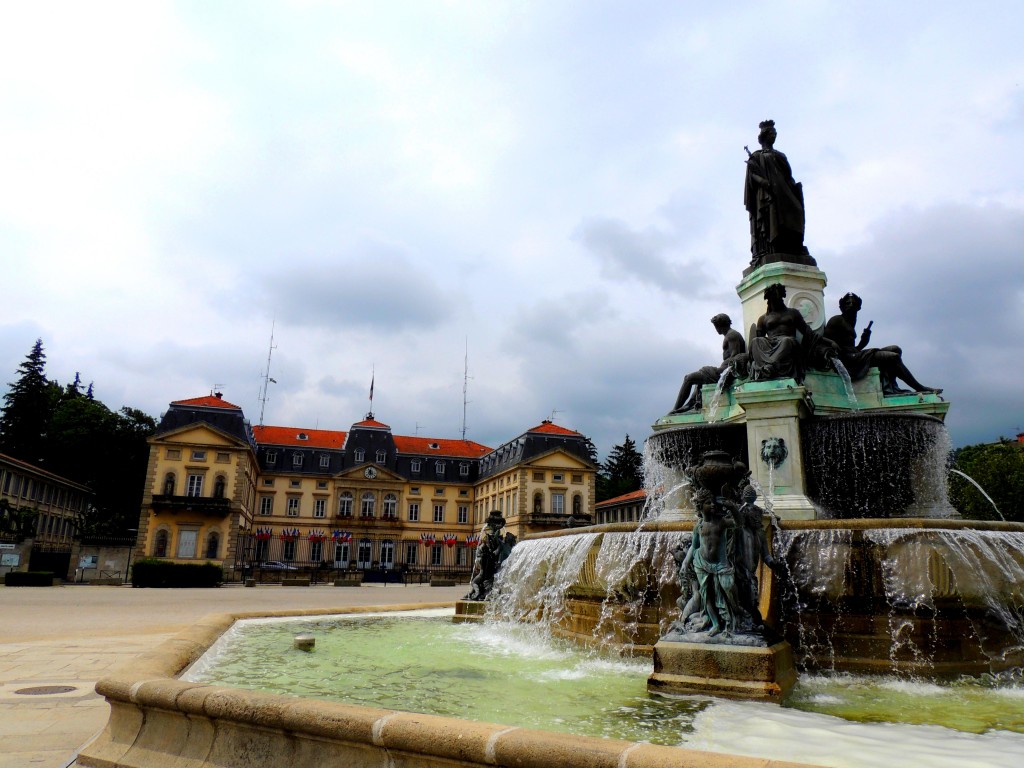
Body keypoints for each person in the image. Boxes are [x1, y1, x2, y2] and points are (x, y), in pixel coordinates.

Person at [823, 293, 940, 394]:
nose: (850, 305)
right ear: (842, 307)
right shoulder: (837, 320)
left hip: (855, 356)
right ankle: (920, 388)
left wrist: (864, 341)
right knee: (893, 357)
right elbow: (823, 340)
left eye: (853, 303)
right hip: (848, 360)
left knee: (896, 349)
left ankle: (891, 387)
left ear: (858, 307)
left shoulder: (851, 322)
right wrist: (831, 343)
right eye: (847, 303)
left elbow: (856, 348)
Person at [744, 120, 808, 264]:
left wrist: (795, 188)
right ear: (765, 135)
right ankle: (773, 246)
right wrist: (763, 183)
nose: (774, 136)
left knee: (795, 211)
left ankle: (793, 246)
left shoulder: (780, 155)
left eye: (775, 133)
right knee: (773, 218)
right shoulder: (756, 156)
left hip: (784, 191)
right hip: (767, 193)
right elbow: (751, 176)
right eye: (772, 133)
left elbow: (788, 174)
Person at [749, 284, 836, 383]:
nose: (778, 301)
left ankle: (770, 366)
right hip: (770, 342)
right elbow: (758, 338)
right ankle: (765, 366)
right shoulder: (763, 318)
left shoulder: (793, 313)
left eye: (780, 298)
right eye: (775, 299)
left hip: (787, 342)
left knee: (787, 341)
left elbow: (808, 332)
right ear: (769, 300)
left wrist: (829, 342)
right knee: (756, 341)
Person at [671, 314, 748, 413]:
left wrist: (725, 373)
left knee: (689, 378)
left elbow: (735, 356)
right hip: (722, 371)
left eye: (716, 326)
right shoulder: (729, 335)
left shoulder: (731, 335)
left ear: (720, 325)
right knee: (697, 380)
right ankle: (689, 405)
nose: (716, 329)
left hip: (723, 373)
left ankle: (675, 409)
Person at [465, 510, 516, 601]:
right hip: (491, 567)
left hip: (492, 568)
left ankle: (478, 593)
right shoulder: (498, 545)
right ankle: (478, 593)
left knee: (477, 581)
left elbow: (496, 551)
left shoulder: (501, 545)